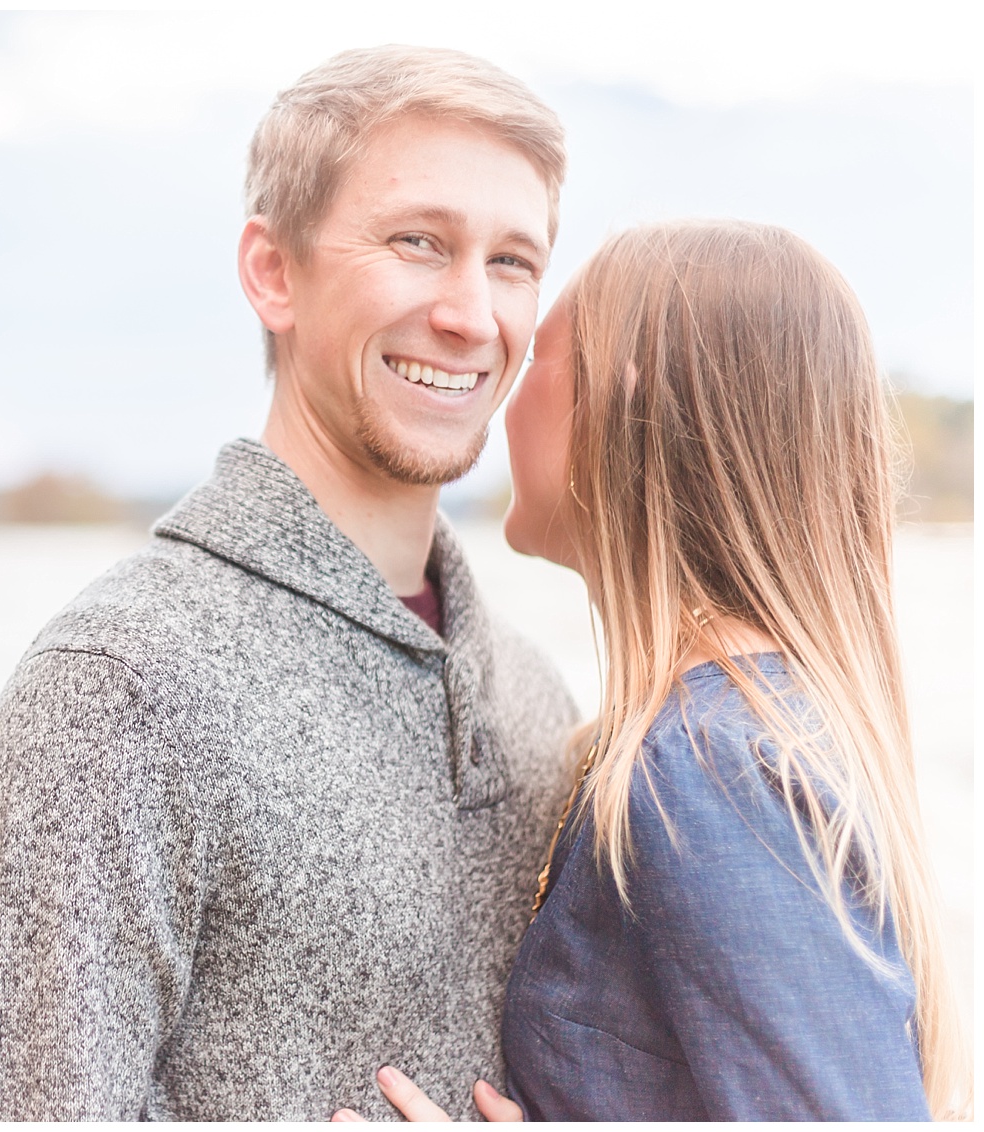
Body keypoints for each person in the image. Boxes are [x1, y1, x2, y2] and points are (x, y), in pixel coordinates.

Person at [0, 46, 580, 1121]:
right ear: (273, 272)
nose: (473, 316)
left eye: (512, 261)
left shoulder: (536, 697)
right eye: (418, 242)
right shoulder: (112, 693)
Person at [332, 220, 970, 1122]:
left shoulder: (705, 771)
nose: (502, 394)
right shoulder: (741, 733)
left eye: (538, 359)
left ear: (618, 402)